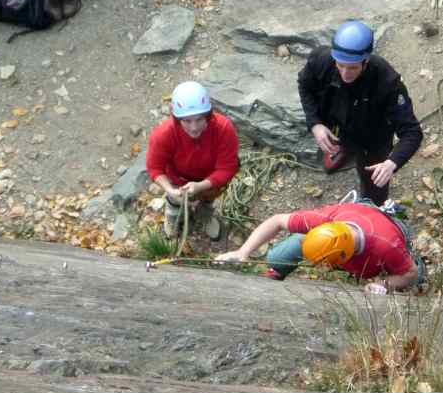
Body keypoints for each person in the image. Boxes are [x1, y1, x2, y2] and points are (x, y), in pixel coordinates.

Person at [298, 20, 423, 205]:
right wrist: (315, 123)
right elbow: (305, 85)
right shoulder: (322, 59)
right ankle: (344, 149)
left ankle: (372, 207)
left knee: (374, 185)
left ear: (366, 61)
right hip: (337, 123)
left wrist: (391, 163)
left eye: (353, 67)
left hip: (372, 138)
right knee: (336, 139)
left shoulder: (387, 82)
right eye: (340, 65)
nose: (345, 74)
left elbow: (412, 132)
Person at [215, 201, 423, 294]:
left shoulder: (386, 246)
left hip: (383, 241)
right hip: (353, 220)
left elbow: (410, 273)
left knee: (417, 276)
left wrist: (384, 284)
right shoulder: (324, 220)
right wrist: (243, 252)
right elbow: (277, 221)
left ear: (344, 258)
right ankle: (277, 268)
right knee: (282, 253)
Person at [146, 81, 239, 240]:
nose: (194, 127)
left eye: (199, 119)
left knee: (208, 198)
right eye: (187, 121)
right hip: (177, 179)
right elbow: (155, 168)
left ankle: (205, 213)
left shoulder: (223, 128)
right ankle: (174, 215)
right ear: (177, 119)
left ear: (208, 115)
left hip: (211, 179)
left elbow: (227, 167)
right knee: (175, 200)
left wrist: (201, 186)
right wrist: (170, 190)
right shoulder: (164, 134)